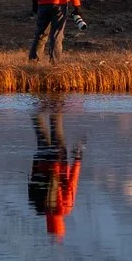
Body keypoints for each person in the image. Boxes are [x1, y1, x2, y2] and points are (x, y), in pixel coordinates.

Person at [27, 99, 81, 237]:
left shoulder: (65, 208)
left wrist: (78, 160)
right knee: (39, 126)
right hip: (42, 160)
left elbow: (72, 183)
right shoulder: (40, 207)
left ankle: (54, 94)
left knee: (55, 122)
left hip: (59, 160)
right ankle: (36, 97)